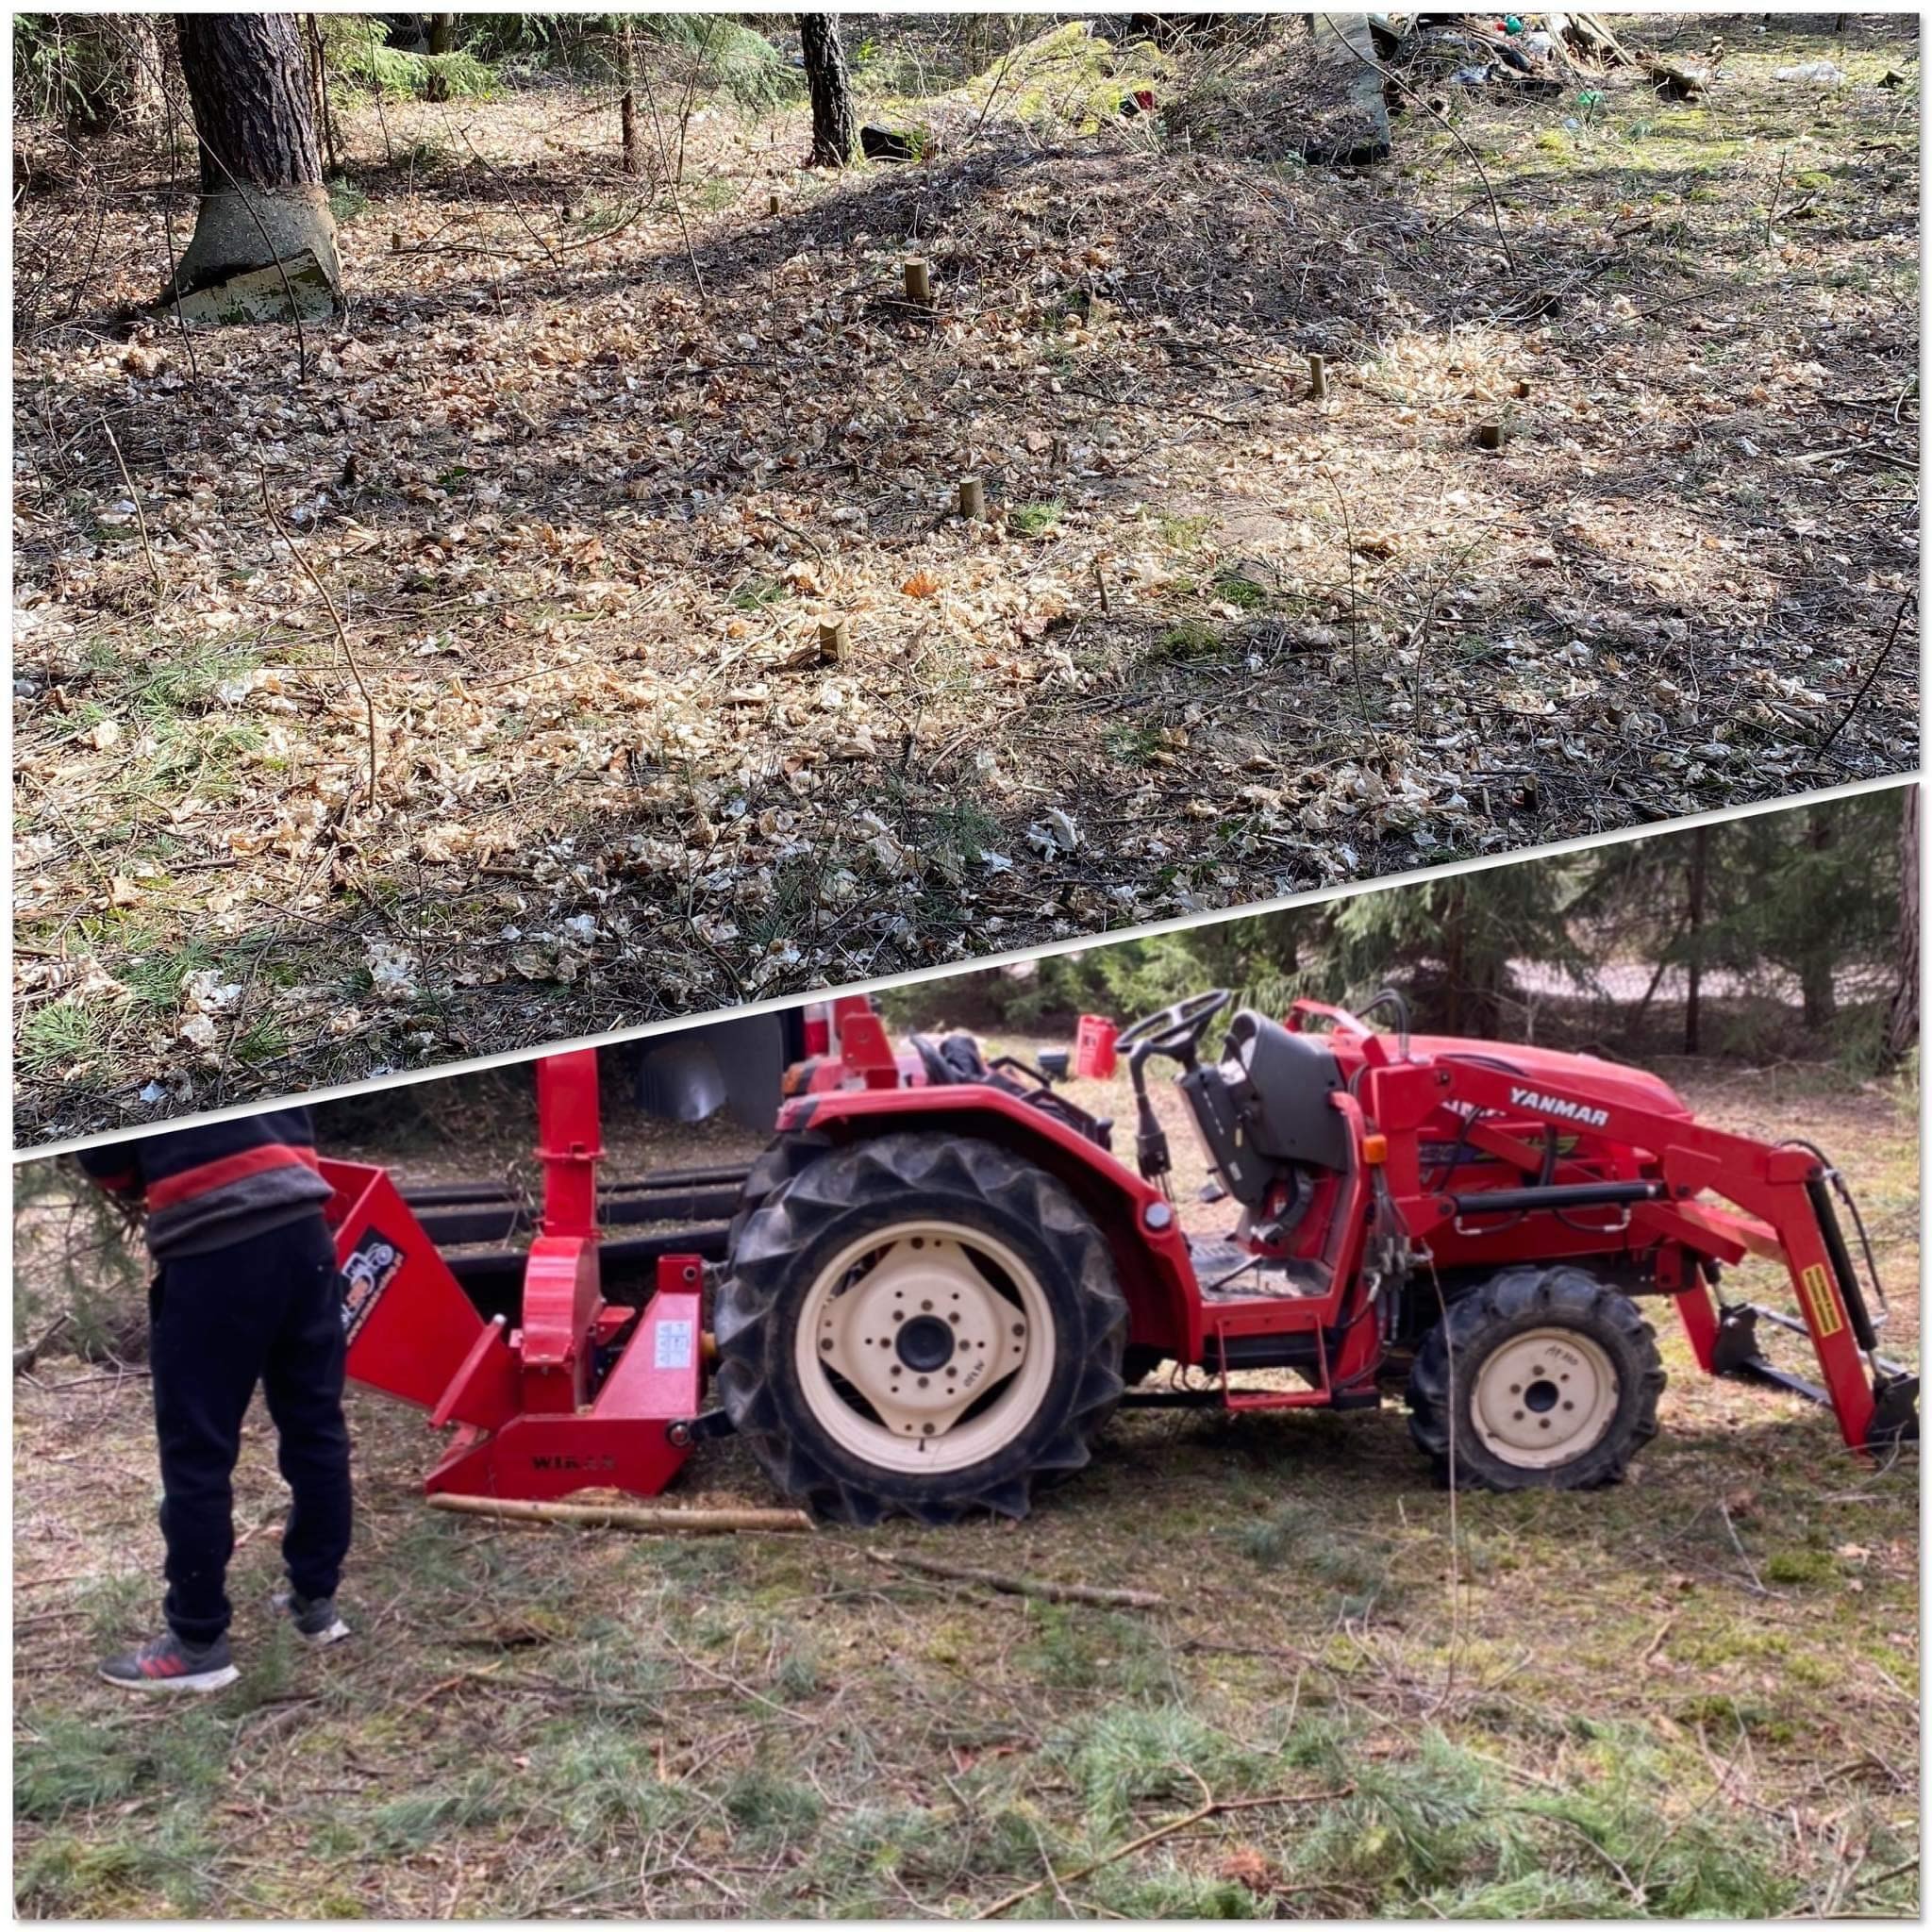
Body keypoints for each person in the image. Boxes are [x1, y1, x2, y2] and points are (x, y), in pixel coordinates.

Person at [77, 1108, 354, 1692]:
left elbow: (106, 1162)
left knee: (196, 1452)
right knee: (316, 1426)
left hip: (215, 1247)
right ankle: (316, 1604)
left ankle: (197, 1641)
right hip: (305, 1231)